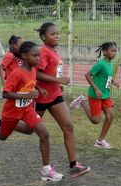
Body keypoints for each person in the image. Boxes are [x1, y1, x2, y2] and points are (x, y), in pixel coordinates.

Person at [0, 41, 63, 181]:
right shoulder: (17, 73)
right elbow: (6, 93)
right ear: (24, 56)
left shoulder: (32, 70)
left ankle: (46, 170)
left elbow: (30, 82)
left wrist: (38, 89)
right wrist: (27, 95)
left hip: (27, 109)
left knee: (44, 133)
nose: (38, 58)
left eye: (39, 56)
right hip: (12, 111)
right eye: (35, 56)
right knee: (2, 135)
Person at [34, 22, 90, 177]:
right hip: (41, 96)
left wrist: (57, 83)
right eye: (53, 34)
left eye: (58, 33)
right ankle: (2, 122)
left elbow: (53, 72)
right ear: (44, 36)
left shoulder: (54, 50)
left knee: (68, 127)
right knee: (27, 129)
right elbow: (36, 74)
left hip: (55, 95)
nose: (57, 36)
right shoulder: (43, 52)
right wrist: (57, 80)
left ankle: (74, 165)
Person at [70, 42, 118, 149]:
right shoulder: (100, 64)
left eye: (115, 51)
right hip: (95, 95)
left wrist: (114, 81)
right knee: (95, 120)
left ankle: (100, 141)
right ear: (104, 52)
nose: (114, 53)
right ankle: (82, 101)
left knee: (110, 117)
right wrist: (96, 89)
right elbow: (87, 75)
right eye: (112, 51)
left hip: (106, 95)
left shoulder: (110, 63)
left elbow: (107, 75)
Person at [0, 35, 23, 101]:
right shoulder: (10, 56)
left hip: (19, 81)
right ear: (14, 45)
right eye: (21, 44)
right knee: (13, 101)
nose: (23, 45)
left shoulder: (20, 54)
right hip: (13, 82)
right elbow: (1, 67)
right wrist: (3, 82)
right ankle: (3, 92)